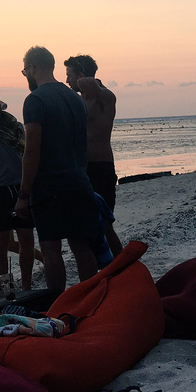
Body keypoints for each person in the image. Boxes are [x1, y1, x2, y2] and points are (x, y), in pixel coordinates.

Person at [14, 46, 100, 293]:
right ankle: (91, 298)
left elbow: (32, 150)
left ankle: (56, 304)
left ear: (32, 68)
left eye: (25, 71)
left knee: (51, 249)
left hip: (49, 186)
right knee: (81, 246)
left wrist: (23, 194)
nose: (26, 75)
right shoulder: (76, 98)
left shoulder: (36, 100)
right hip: (79, 181)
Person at [0, 86, 38, 298]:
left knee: (27, 239)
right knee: (1, 242)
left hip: (21, 187)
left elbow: (28, 149)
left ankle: (27, 287)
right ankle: (7, 290)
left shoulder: (15, 125)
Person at [64, 55, 124, 257]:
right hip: (81, 169)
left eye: (69, 75)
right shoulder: (79, 101)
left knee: (105, 224)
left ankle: (123, 267)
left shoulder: (104, 96)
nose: (67, 81)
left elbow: (88, 83)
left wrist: (82, 77)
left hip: (101, 166)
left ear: (80, 75)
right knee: (84, 227)